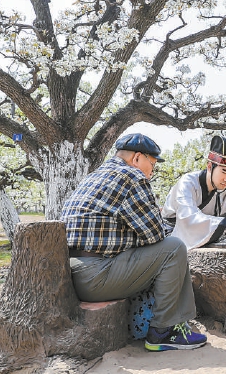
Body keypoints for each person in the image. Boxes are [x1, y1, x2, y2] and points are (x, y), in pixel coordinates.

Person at [60, 132, 207, 352]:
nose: (153, 170)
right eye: (152, 162)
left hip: (73, 272)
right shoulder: (132, 177)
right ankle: (164, 331)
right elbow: (156, 235)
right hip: (96, 277)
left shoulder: (95, 175)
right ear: (137, 158)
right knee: (174, 248)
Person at [162, 136, 226, 249]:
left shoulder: (221, 188)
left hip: (206, 239)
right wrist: (225, 225)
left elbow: (224, 217)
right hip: (172, 237)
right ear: (209, 166)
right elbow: (188, 219)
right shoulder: (187, 182)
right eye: (224, 171)